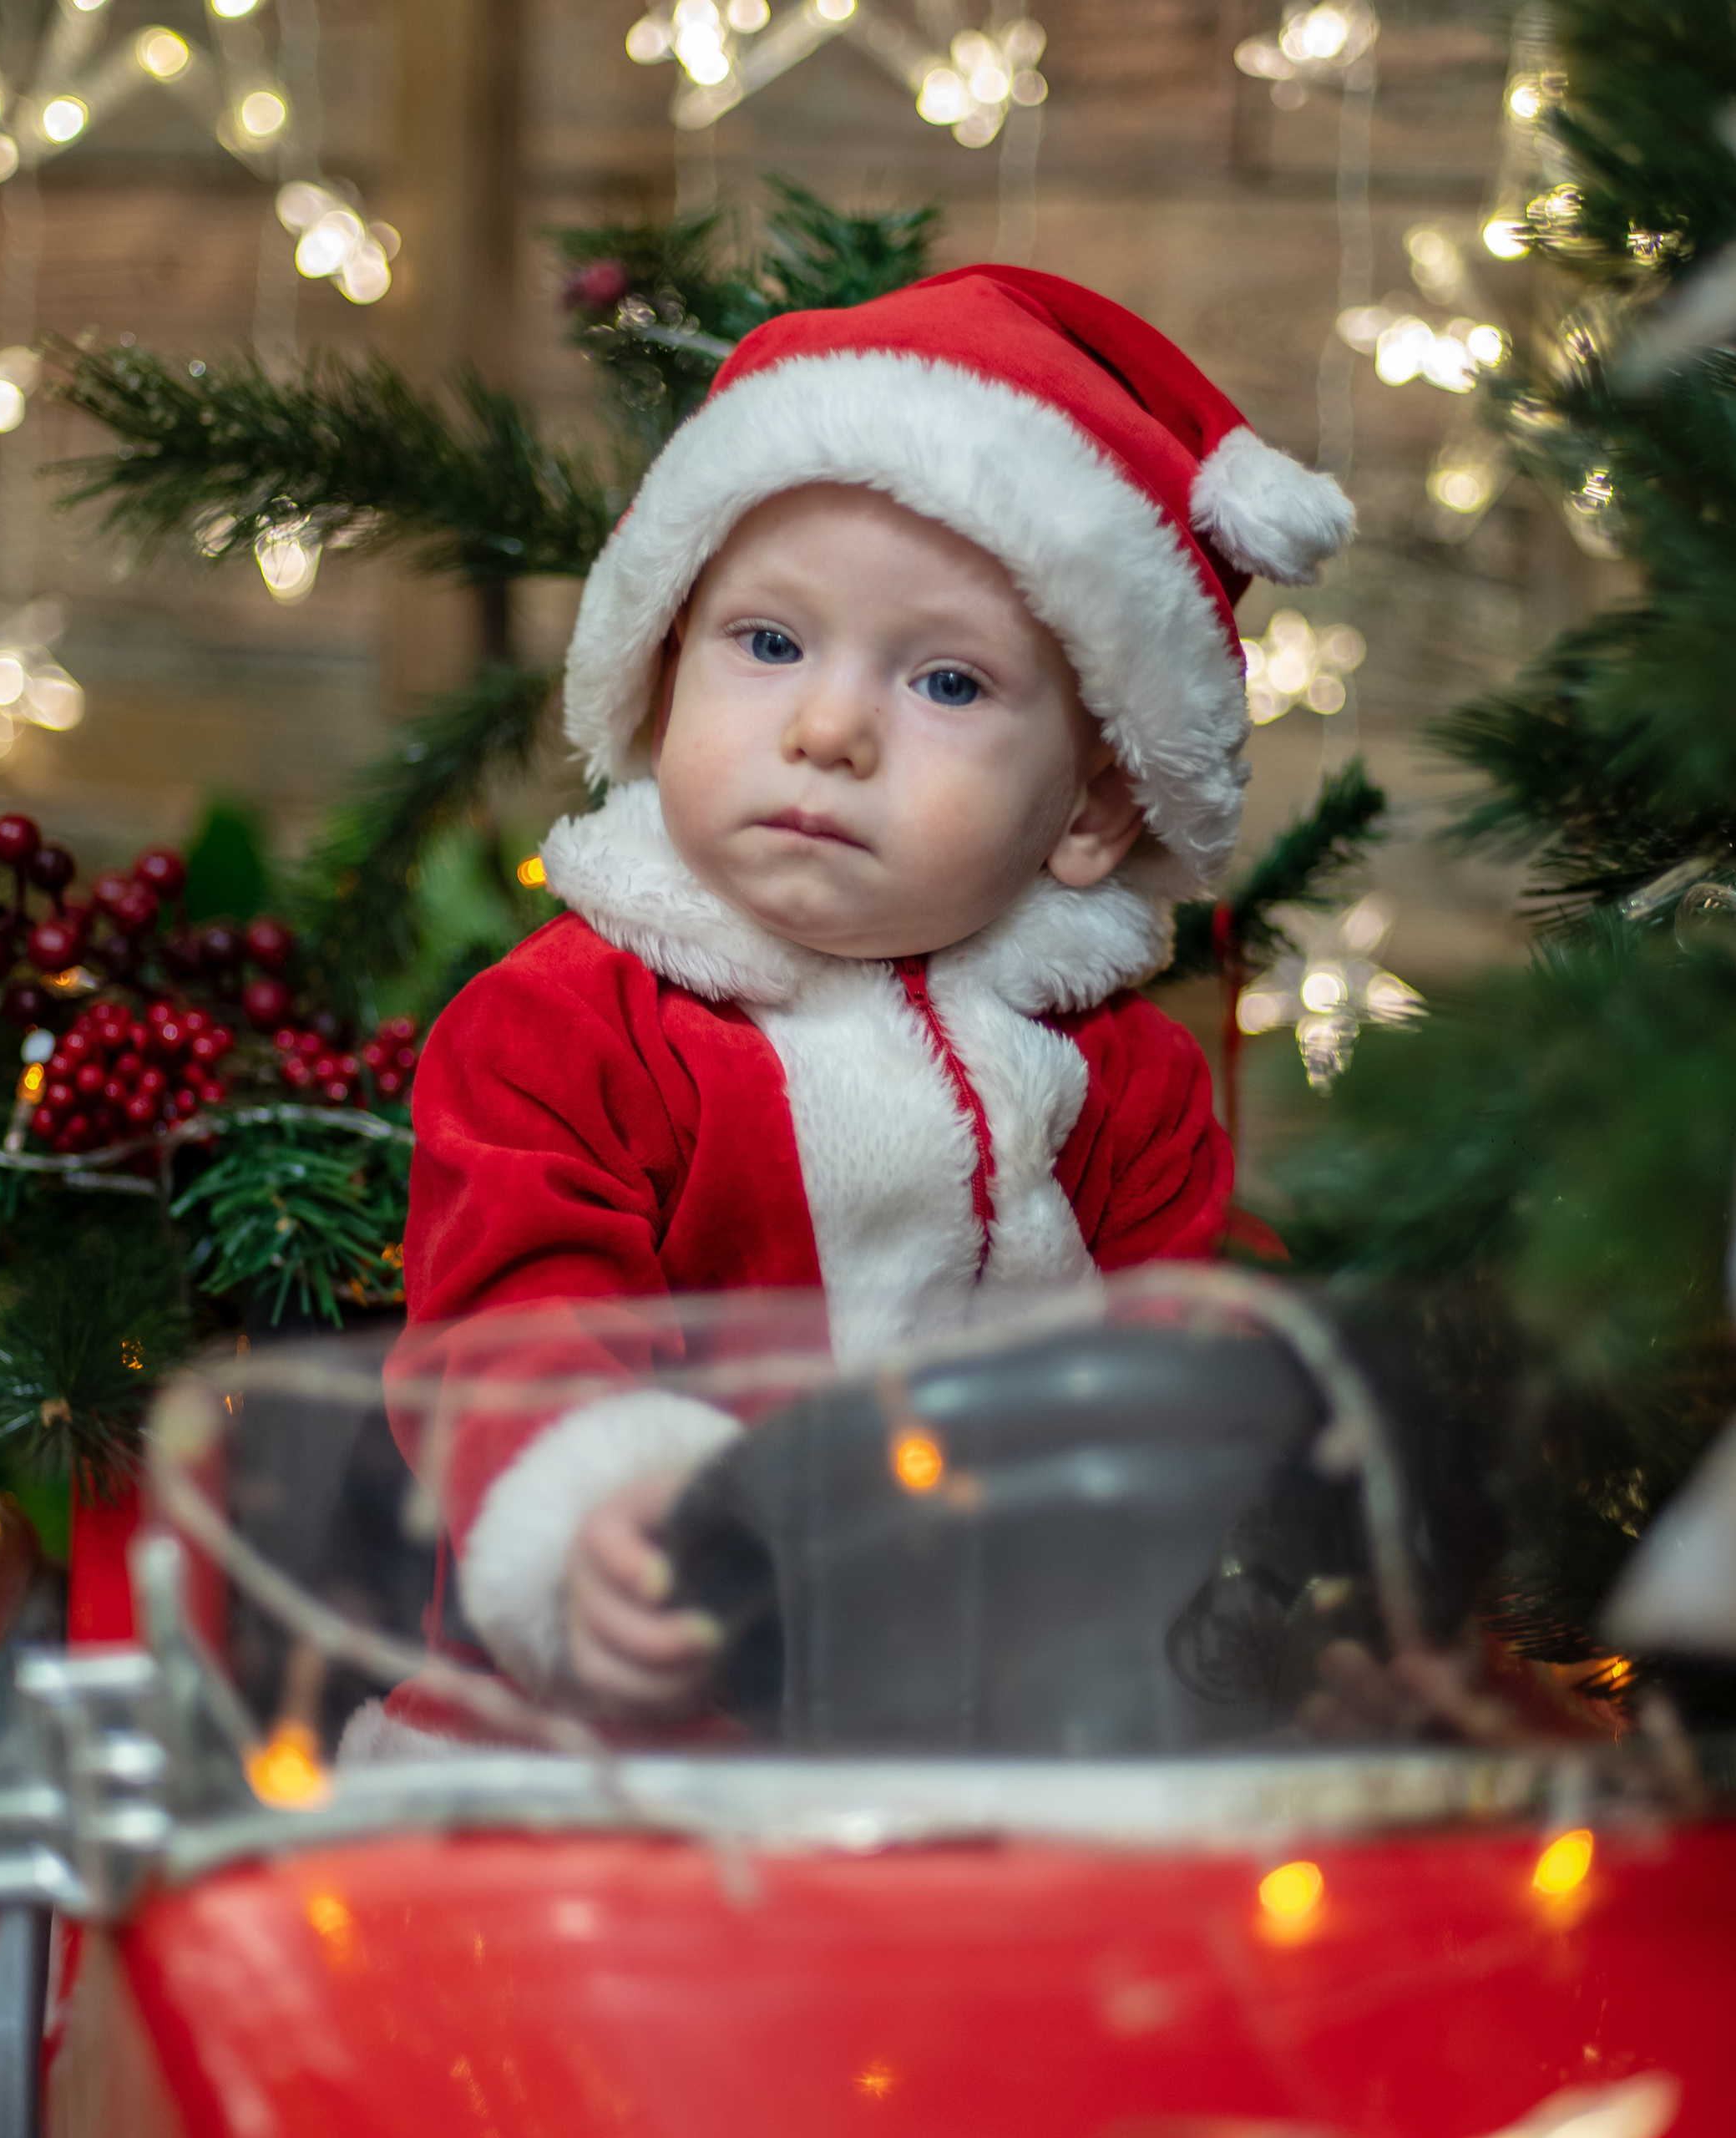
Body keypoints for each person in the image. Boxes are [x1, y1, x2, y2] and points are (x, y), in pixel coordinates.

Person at [401, 264, 1353, 1719]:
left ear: (1093, 810)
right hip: (640, 1723)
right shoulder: (569, 1029)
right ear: (659, 680)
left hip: (1007, 1723)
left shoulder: (1122, 1080)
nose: (830, 726)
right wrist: (592, 1509)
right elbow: (516, 1325)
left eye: (949, 685)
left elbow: (1177, 1354)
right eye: (768, 643)